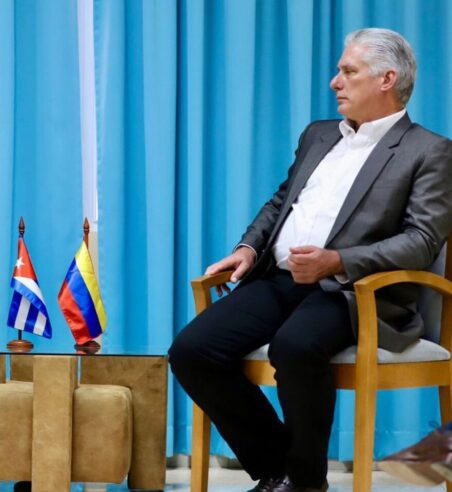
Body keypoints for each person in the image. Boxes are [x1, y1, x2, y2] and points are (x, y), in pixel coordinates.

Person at [168, 28, 452, 492]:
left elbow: (421, 241)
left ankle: (302, 483)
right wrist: (248, 249)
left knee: (295, 346)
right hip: (280, 279)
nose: (334, 82)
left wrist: (337, 260)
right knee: (192, 351)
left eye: (347, 72)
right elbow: (282, 203)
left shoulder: (429, 150)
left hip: (355, 294)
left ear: (386, 79)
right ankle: (284, 469)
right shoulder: (319, 135)